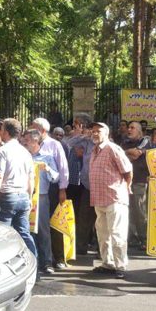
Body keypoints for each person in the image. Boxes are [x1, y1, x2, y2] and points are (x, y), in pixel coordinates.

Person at [0, 118, 37, 256]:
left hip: (7, 197)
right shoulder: (25, 152)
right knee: (24, 233)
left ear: (6, 132)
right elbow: (31, 177)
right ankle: (34, 263)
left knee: (3, 234)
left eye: (2, 130)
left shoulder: (2, 151)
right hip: (23, 197)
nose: (0, 132)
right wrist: (30, 196)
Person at [88, 122, 132, 279]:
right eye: (92, 131)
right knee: (103, 234)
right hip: (99, 199)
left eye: (98, 131)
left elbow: (127, 170)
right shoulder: (94, 150)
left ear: (106, 133)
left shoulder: (113, 148)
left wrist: (127, 187)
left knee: (117, 233)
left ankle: (121, 265)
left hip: (114, 198)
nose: (94, 133)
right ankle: (108, 263)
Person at [31, 117, 70, 269]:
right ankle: (40, 257)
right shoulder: (28, 145)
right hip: (35, 191)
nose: (31, 131)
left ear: (42, 131)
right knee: (36, 225)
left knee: (53, 224)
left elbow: (63, 168)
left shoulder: (54, 145)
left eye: (34, 128)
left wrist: (62, 189)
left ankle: (58, 258)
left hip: (52, 188)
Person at [24, 129, 60, 275]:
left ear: (35, 141)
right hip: (25, 196)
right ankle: (32, 261)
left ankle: (46, 262)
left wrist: (48, 169)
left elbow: (56, 177)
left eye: (26, 140)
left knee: (43, 230)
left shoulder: (47, 157)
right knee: (27, 230)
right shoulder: (23, 156)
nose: (24, 143)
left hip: (41, 197)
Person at [65, 112, 97, 256]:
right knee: (84, 217)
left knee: (101, 220)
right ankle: (81, 247)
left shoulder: (101, 140)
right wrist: (83, 135)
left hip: (102, 186)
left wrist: (93, 136)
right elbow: (68, 143)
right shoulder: (84, 141)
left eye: (76, 125)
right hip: (87, 185)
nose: (94, 133)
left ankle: (100, 248)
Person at [120, 121, 150, 248]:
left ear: (139, 131)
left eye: (133, 128)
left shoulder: (145, 141)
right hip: (126, 181)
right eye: (128, 127)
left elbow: (137, 154)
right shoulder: (124, 142)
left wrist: (128, 153)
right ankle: (131, 237)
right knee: (127, 209)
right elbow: (120, 156)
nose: (129, 130)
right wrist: (129, 153)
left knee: (139, 210)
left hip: (140, 181)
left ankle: (144, 238)